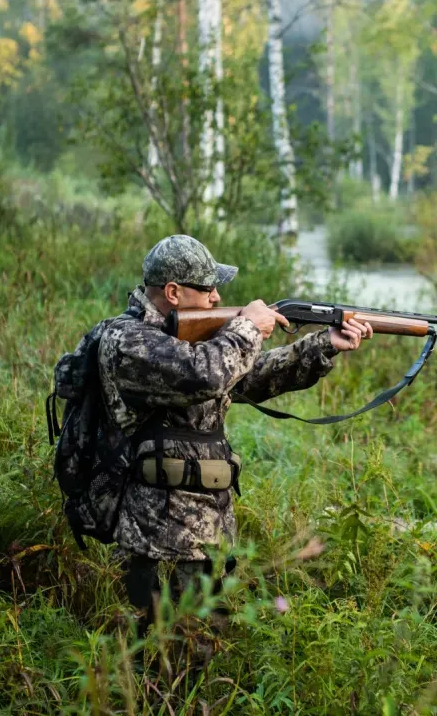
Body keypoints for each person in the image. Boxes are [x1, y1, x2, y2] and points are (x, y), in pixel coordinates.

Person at [96, 234, 372, 647]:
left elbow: (249, 375)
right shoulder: (129, 341)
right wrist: (248, 326)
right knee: (155, 654)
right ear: (173, 292)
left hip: (206, 530)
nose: (217, 297)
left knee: (197, 649)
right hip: (156, 535)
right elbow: (203, 374)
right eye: (208, 289)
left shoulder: (194, 340)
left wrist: (323, 345)